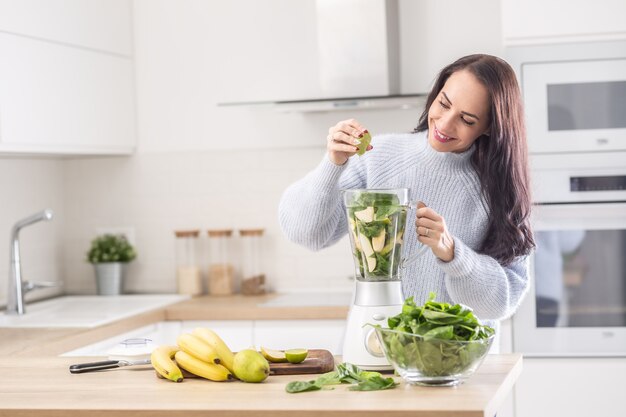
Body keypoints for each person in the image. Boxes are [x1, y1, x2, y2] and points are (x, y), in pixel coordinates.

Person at [278, 54, 536, 329]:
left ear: (489, 127)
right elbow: (307, 233)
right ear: (435, 94)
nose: (445, 124)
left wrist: (452, 253)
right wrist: (332, 163)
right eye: (444, 104)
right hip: (376, 350)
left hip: (458, 359)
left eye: (467, 120)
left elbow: (503, 302)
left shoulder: (499, 190)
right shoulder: (377, 157)